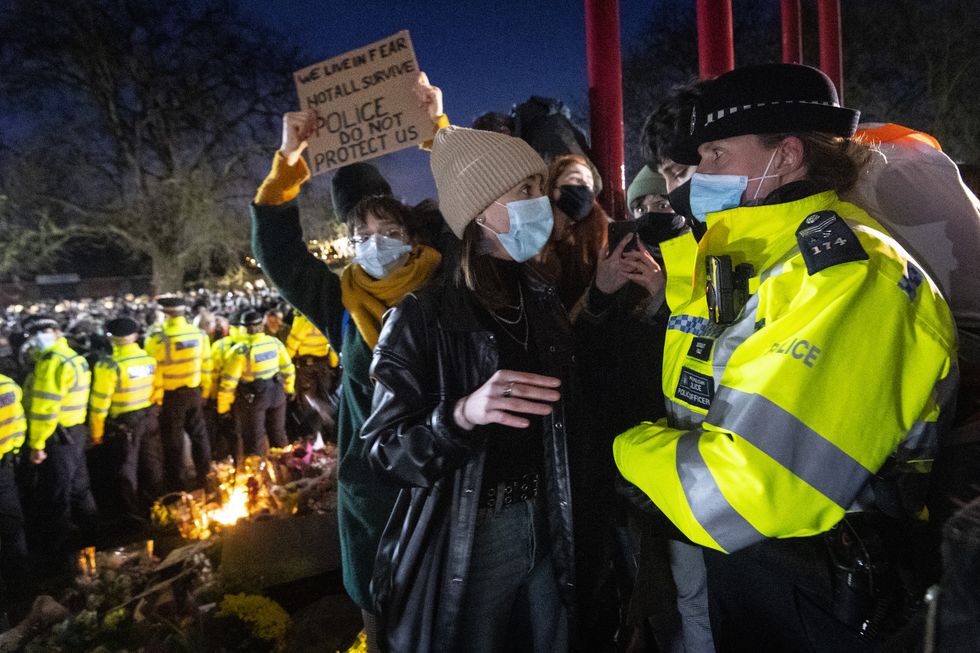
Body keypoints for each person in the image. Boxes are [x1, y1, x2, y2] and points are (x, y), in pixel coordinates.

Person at [614, 63, 958, 651]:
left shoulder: (846, 275)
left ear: (789, 154)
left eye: (715, 154)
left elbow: (751, 490)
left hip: (827, 580)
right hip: (762, 564)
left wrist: (625, 450)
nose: (698, 175)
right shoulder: (758, 251)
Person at [362, 125, 575, 653]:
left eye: (539, 188)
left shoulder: (539, 295)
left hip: (551, 514)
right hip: (475, 529)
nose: (540, 203)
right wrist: (459, 414)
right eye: (524, 191)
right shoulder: (421, 317)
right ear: (480, 210)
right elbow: (384, 451)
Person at [250, 116, 442, 653]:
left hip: (446, 481)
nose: (374, 245)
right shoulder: (339, 299)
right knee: (385, 627)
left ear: (412, 235)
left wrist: (435, 127)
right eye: (361, 237)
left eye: (388, 233)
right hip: (375, 498)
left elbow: (468, 203)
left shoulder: (444, 281)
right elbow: (280, 254)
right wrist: (289, 163)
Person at [22, 317, 97, 560]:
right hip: (75, 431)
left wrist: (37, 444)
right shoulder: (74, 357)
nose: (36, 339)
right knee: (79, 488)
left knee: (57, 493)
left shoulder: (51, 362)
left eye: (41, 332)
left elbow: (45, 409)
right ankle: (93, 536)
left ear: (54, 332)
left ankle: (62, 553)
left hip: (58, 436)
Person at [87, 316, 163, 522]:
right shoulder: (148, 360)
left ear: (111, 339)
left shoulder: (109, 365)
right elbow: (158, 389)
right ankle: (158, 506)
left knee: (127, 469)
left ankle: (133, 514)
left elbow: (99, 403)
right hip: (148, 417)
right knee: (152, 463)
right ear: (136, 336)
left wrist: (96, 433)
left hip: (125, 423)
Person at [144, 296, 213, 491]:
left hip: (171, 397)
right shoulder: (199, 335)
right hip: (194, 393)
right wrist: (205, 391)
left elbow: (153, 372)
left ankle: (179, 486)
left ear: (165, 314)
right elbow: (207, 365)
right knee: (200, 436)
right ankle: (206, 477)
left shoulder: (157, 339)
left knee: (174, 442)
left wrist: (156, 400)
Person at [535, 153, 609, 312]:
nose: (584, 187)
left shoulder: (597, 236)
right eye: (576, 179)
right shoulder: (531, 236)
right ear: (553, 187)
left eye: (589, 184)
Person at [217, 310, 295, 456]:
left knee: (254, 440)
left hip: (254, 398)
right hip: (277, 394)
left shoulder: (240, 351)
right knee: (278, 434)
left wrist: (223, 408)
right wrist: (289, 388)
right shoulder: (275, 343)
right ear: (261, 326)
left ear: (244, 328)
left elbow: (229, 383)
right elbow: (288, 368)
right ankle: (287, 469)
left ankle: (258, 476)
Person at [285, 310, 340, 442]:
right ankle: (329, 436)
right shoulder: (325, 318)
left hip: (306, 368)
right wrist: (333, 362)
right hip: (323, 367)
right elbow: (331, 343)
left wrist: (286, 361)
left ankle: (313, 438)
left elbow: (292, 345)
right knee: (324, 399)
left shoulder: (302, 320)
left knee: (308, 402)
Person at [0, 373, 30, 609]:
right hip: (4, 468)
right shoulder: (7, 385)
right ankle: (20, 588)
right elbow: (19, 424)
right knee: (12, 526)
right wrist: (15, 450)